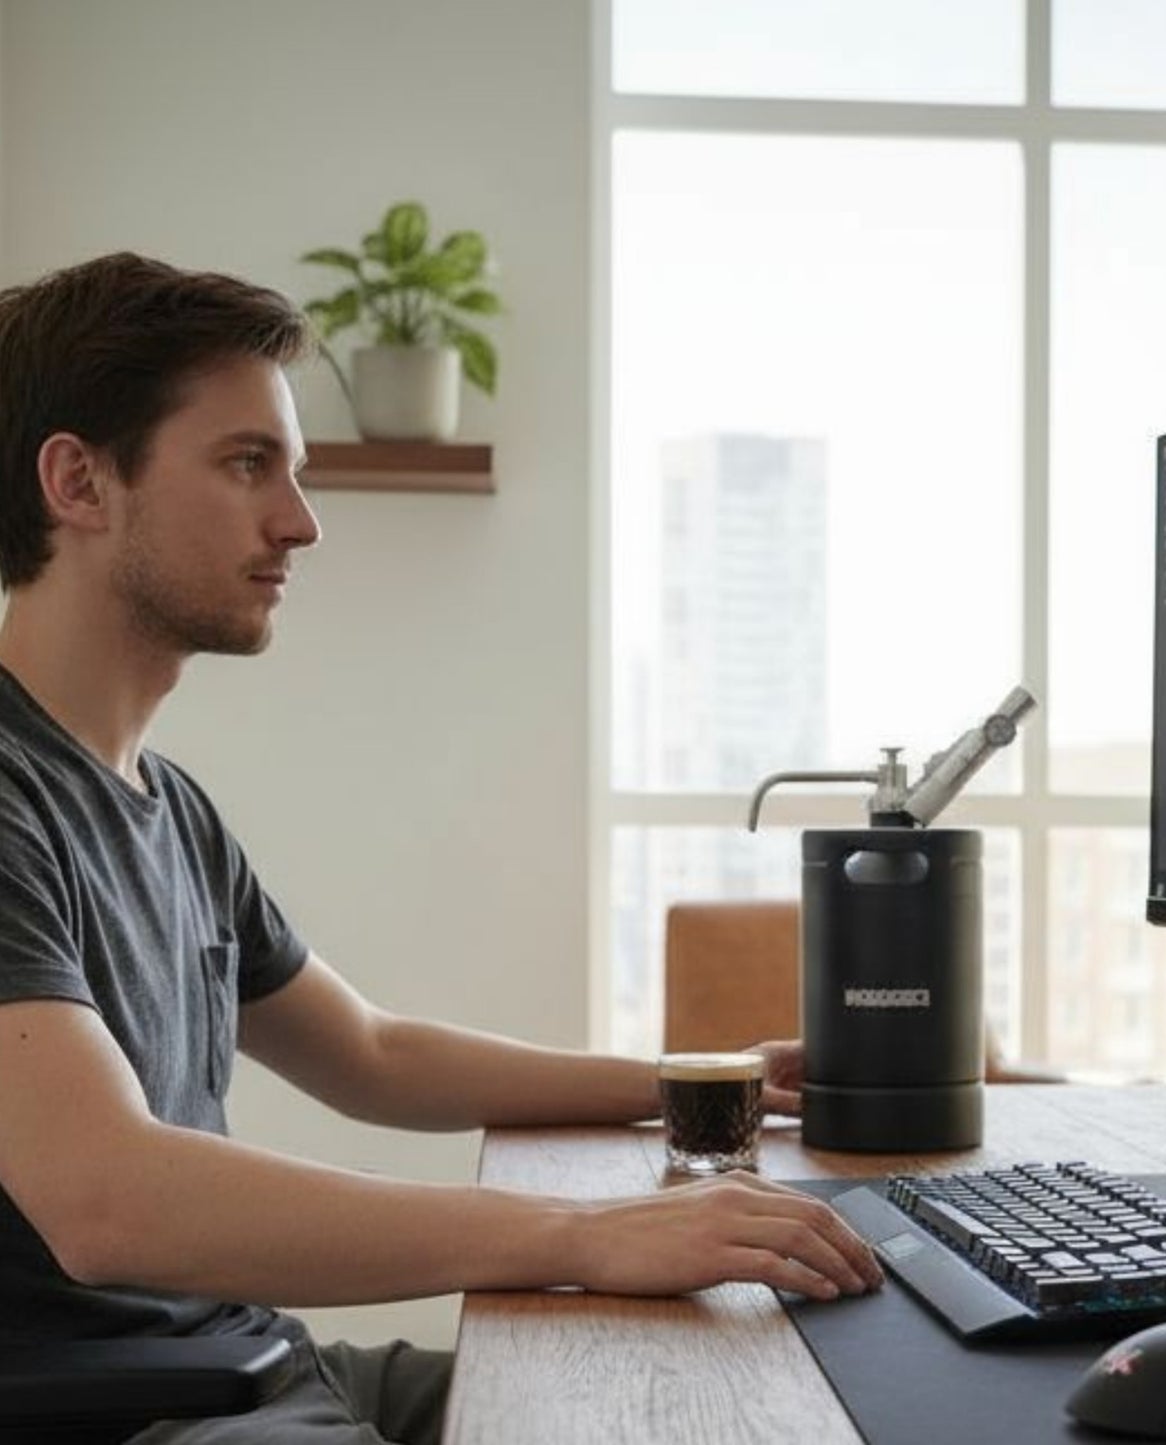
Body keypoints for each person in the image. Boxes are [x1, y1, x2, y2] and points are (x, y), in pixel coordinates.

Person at [0, 252, 884, 1445]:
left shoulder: (167, 807)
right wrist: (580, 1235)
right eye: (247, 463)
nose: (299, 522)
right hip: (128, 1411)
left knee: (685, 1412)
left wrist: (694, 1081)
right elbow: (107, 1198)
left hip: (248, 1361)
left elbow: (370, 1052)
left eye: (294, 472)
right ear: (78, 482)